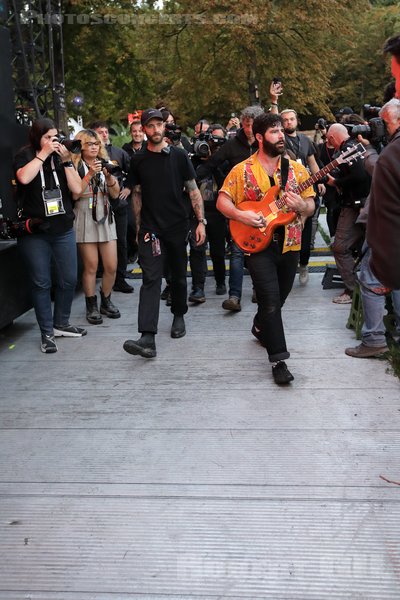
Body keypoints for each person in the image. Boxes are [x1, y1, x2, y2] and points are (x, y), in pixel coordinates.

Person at [217, 112, 315, 384]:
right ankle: (279, 361)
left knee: (278, 301)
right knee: (270, 300)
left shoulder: (296, 169)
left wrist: (301, 206)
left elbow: (311, 205)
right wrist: (242, 215)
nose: (281, 136)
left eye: (281, 131)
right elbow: (222, 201)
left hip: (291, 244)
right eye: (274, 132)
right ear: (259, 137)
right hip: (258, 246)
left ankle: (260, 327)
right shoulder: (242, 170)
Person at [123, 108, 206, 359]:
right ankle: (147, 337)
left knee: (178, 277)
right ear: (144, 130)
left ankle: (179, 314)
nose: (156, 129)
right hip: (151, 229)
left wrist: (200, 221)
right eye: (151, 126)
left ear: (164, 127)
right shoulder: (138, 160)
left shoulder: (179, 156)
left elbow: (193, 190)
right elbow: (136, 194)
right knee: (151, 278)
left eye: (159, 125)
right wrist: (138, 228)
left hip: (178, 226)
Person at [13, 117, 86, 353]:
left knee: (69, 279)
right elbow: (23, 178)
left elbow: (76, 190)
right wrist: (43, 154)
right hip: (36, 232)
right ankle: (47, 332)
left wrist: (66, 162)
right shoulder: (26, 155)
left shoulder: (61, 157)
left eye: (55, 136)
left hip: (62, 229)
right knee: (41, 282)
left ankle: (61, 323)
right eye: (47, 137)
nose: (52, 141)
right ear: (37, 137)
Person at [203, 105, 265, 311]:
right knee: (237, 251)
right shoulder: (231, 145)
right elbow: (212, 164)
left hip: (263, 204)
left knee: (259, 250)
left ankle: (259, 289)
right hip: (238, 205)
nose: (248, 129)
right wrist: (189, 178)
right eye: (245, 124)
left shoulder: (266, 144)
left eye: (251, 125)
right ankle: (234, 296)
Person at [72, 129, 121, 324]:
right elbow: (75, 194)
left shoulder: (105, 164)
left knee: (111, 265)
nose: (94, 147)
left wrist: (109, 178)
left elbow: (116, 194)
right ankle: (91, 305)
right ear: (80, 147)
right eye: (89, 144)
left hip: (105, 213)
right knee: (91, 266)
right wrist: (90, 173)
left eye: (96, 144)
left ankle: (106, 300)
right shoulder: (74, 166)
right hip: (84, 214)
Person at [325, 123, 370, 303]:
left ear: (332, 138)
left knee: (340, 247)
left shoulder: (348, 149)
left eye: (330, 141)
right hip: (367, 205)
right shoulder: (357, 146)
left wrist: (337, 182)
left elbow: (359, 175)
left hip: (356, 206)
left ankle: (352, 291)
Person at [281, 108, 325, 285]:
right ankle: (286, 268)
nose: (288, 122)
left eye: (291, 119)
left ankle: (304, 264)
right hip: (286, 190)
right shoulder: (279, 140)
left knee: (305, 233)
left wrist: (320, 180)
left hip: (305, 190)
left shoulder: (305, 140)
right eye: (285, 120)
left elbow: (313, 163)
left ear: (297, 120)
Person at [91, 121, 133, 293]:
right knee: (98, 242)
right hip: (96, 207)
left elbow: (133, 172)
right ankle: (101, 275)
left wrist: (129, 188)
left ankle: (120, 279)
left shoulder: (118, 153)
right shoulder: (89, 155)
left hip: (118, 205)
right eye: (100, 132)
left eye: (106, 131)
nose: (104, 135)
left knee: (121, 243)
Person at [367, 97, 400, 291]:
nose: (384, 129)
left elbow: (385, 213)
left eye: (385, 123)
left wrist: (387, 269)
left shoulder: (391, 154)